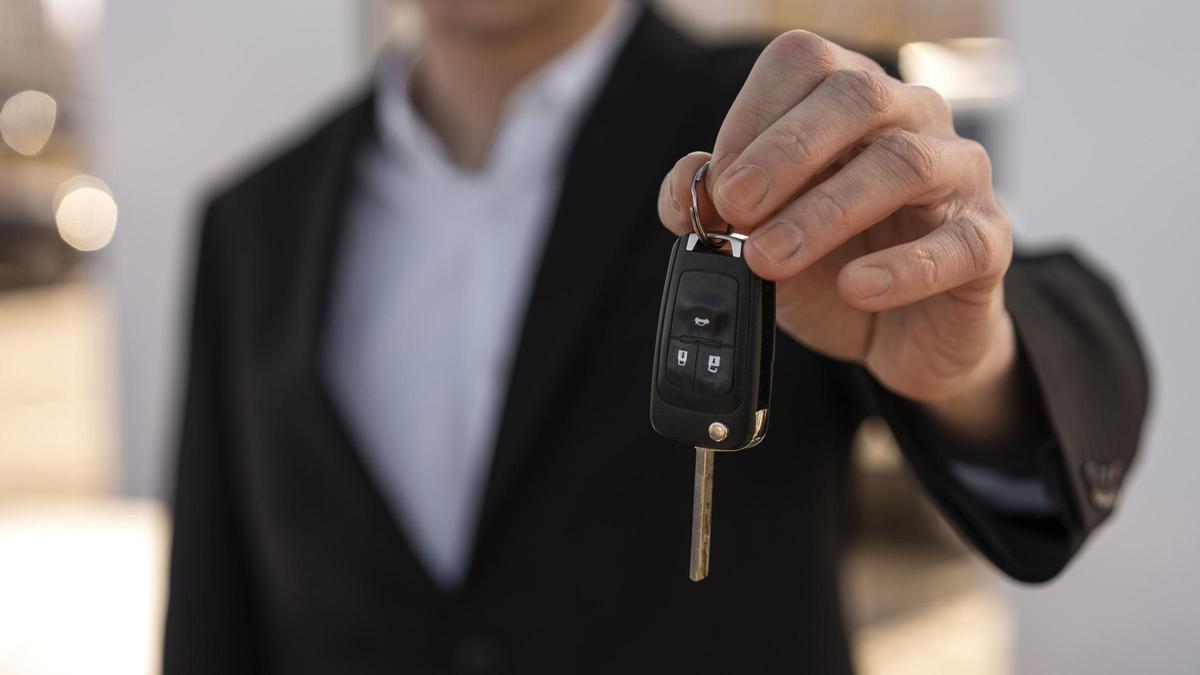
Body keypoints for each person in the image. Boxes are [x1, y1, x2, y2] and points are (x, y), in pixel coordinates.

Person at [163, 1, 1149, 673]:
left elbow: (1065, 323)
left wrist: (974, 368)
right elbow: (215, 610)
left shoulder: (791, 127)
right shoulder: (253, 220)